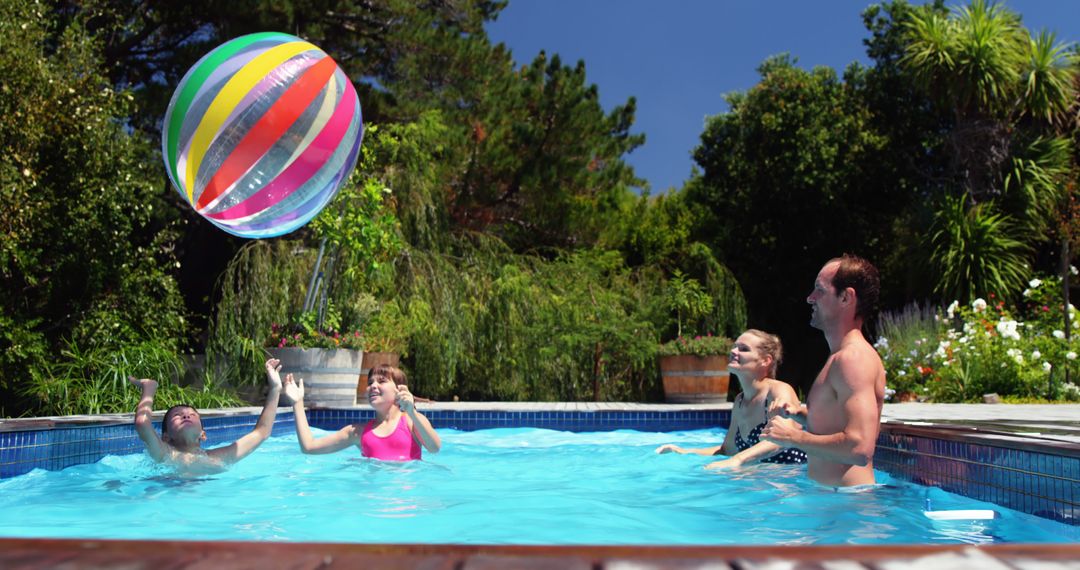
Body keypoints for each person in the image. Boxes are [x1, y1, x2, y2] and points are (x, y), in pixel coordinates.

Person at [762, 254, 886, 488]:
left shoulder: (853, 359)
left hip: (848, 507)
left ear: (846, 298)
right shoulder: (839, 357)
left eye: (820, 290)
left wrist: (792, 437)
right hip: (833, 502)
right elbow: (836, 425)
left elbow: (859, 448)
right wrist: (798, 414)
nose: (810, 298)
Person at [655, 329, 806, 469]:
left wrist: (737, 460)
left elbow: (784, 438)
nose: (733, 351)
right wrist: (684, 452)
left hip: (790, 482)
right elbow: (727, 450)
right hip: (764, 480)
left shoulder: (778, 391)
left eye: (743, 349)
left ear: (765, 360)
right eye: (735, 346)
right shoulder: (740, 401)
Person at [128, 358, 284, 475]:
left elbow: (262, 432)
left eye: (192, 414)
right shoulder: (165, 453)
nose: (185, 415)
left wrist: (275, 389)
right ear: (166, 436)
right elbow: (142, 423)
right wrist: (149, 389)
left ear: (203, 434)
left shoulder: (217, 457)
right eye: (177, 415)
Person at [282, 364, 440, 460]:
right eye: (370, 382)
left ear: (399, 389)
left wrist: (411, 411)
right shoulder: (358, 432)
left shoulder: (412, 421)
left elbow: (434, 448)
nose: (373, 386)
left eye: (382, 381)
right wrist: (297, 403)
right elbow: (309, 447)